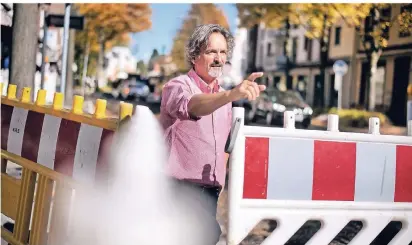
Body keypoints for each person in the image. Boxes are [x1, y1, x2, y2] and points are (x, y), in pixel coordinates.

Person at [159, 24, 266, 244]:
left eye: (222, 52)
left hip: (210, 190)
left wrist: (221, 177)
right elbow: (193, 105)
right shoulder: (179, 86)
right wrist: (230, 95)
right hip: (179, 188)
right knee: (205, 235)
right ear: (194, 55)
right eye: (211, 52)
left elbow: (225, 143)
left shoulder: (222, 97)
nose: (218, 58)